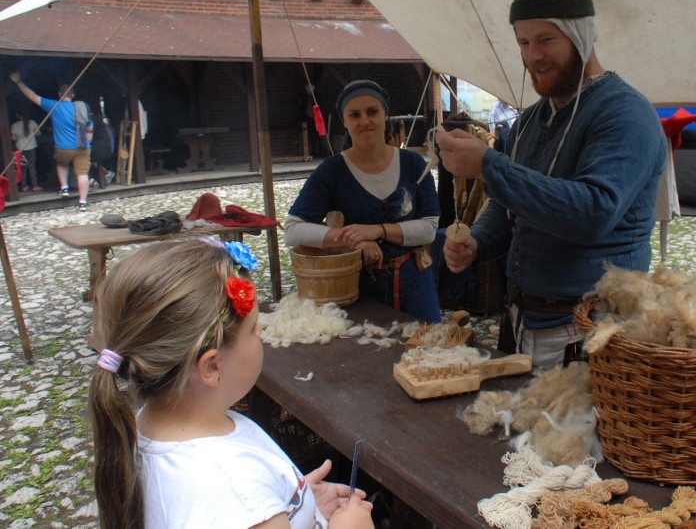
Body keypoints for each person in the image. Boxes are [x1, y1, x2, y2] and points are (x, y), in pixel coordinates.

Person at [436, 0, 666, 368]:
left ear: (581, 35)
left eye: (546, 39)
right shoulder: (528, 121)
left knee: (584, 435)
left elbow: (593, 212)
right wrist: (477, 243)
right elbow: (508, 210)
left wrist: (490, 165)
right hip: (522, 319)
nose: (533, 56)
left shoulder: (625, 113)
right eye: (523, 43)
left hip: (595, 330)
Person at [88, 238, 375, 529]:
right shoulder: (238, 492)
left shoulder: (144, 429)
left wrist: (295, 507)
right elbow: (237, 501)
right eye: (252, 329)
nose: (260, 331)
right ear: (212, 367)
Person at [285, 80, 442, 322]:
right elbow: (293, 230)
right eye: (354, 115)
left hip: (415, 288)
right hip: (359, 294)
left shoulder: (413, 165)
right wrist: (350, 240)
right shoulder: (332, 172)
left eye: (372, 111)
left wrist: (376, 231)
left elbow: (429, 228)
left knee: (425, 353)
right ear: (344, 122)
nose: (364, 121)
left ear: (385, 115)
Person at [7, 71, 92, 211]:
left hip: (63, 147)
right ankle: (83, 202)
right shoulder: (81, 108)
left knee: (61, 164)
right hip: (82, 146)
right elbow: (89, 129)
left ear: (59, 95)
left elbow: (32, 96)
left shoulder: (55, 105)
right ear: (73, 96)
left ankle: (64, 188)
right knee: (82, 173)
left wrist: (18, 82)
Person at [9, 108, 42, 192]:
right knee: (32, 167)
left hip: (20, 148)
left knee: (22, 168)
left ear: (17, 115)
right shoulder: (32, 122)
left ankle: (24, 186)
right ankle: (35, 186)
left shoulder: (14, 125)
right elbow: (38, 133)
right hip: (31, 147)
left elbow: (13, 138)